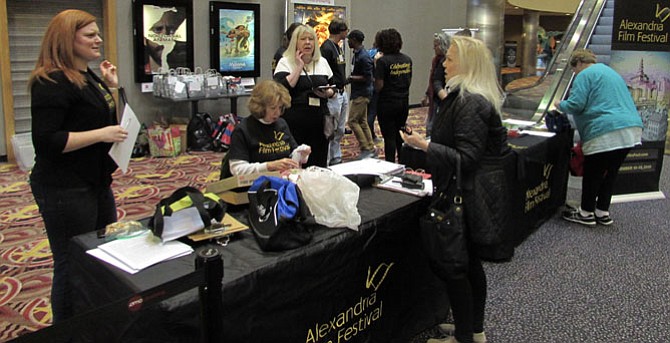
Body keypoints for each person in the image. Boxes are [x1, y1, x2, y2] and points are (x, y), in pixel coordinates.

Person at [401, 36, 510, 343]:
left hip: (467, 197)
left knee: (457, 269)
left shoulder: (470, 102)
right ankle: (472, 329)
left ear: (467, 63)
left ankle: (465, 335)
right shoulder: (467, 97)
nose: (443, 65)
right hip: (469, 194)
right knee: (468, 265)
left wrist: (424, 145)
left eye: (449, 60)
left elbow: (467, 158)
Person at [28, 9, 128, 323]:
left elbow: (110, 123)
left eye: (97, 33)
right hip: (64, 187)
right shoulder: (51, 81)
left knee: (100, 253)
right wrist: (101, 134)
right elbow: (47, 141)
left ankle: (94, 318)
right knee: (71, 262)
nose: (99, 40)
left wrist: (112, 88)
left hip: (94, 181)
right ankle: (67, 329)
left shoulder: (88, 75)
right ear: (67, 39)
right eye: (90, 35)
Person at [554, 49, 643, 226]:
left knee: (593, 172)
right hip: (631, 129)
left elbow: (577, 104)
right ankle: (602, 212)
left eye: (573, 70)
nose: (574, 73)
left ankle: (586, 213)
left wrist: (560, 104)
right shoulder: (610, 72)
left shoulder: (584, 75)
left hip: (605, 130)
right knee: (610, 173)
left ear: (578, 63)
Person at [274, 25, 335, 168]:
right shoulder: (285, 62)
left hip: (319, 121)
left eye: (311, 39)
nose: (308, 42)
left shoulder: (322, 62)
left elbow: (334, 88)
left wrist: (328, 93)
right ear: (295, 42)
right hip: (294, 121)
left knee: (318, 164)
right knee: (295, 164)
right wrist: (299, 66)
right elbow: (282, 88)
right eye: (303, 39)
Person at [222, 80, 311, 178]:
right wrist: (269, 166)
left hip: (280, 181)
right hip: (251, 186)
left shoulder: (281, 124)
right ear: (260, 107)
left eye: (280, 108)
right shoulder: (242, 130)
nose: (277, 113)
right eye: (273, 108)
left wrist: (302, 154)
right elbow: (237, 169)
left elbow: (292, 156)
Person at [374, 28, 412, 163]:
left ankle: (390, 165)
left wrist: (375, 67)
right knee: (400, 136)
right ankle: (403, 163)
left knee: (389, 137)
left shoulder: (382, 62)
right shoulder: (407, 59)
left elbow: (379, 86)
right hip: (403, 102)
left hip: (387, 104)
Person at [320, 18, 349, 166]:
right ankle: (326, 160)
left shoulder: (338, 47)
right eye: (346, 30)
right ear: (341, 31)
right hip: (333, 94)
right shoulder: (326, 48)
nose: (347, 33)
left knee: (340, 129)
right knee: (330, 129)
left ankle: (335, 156)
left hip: (342, 92)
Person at [346, 29, 376, 159]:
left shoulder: (363, 56)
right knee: (362, 121)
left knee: (352, 121)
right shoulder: (358, 54)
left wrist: (351, 78)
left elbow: (368, 77)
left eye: (349, 39)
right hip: (360, 92)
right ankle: (370, 146)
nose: (348, 41)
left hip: (362, 93)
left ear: (355, 40)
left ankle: (365, 148)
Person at [421, 32, 451, 138]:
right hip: (436, 98)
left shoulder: (447, 61)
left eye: (436, 45)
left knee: (433, 127)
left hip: (443, 99)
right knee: (430, 125)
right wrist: (427, 94)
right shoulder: (436, 60)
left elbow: (438, 81)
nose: (434, 48)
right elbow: (433, 79)